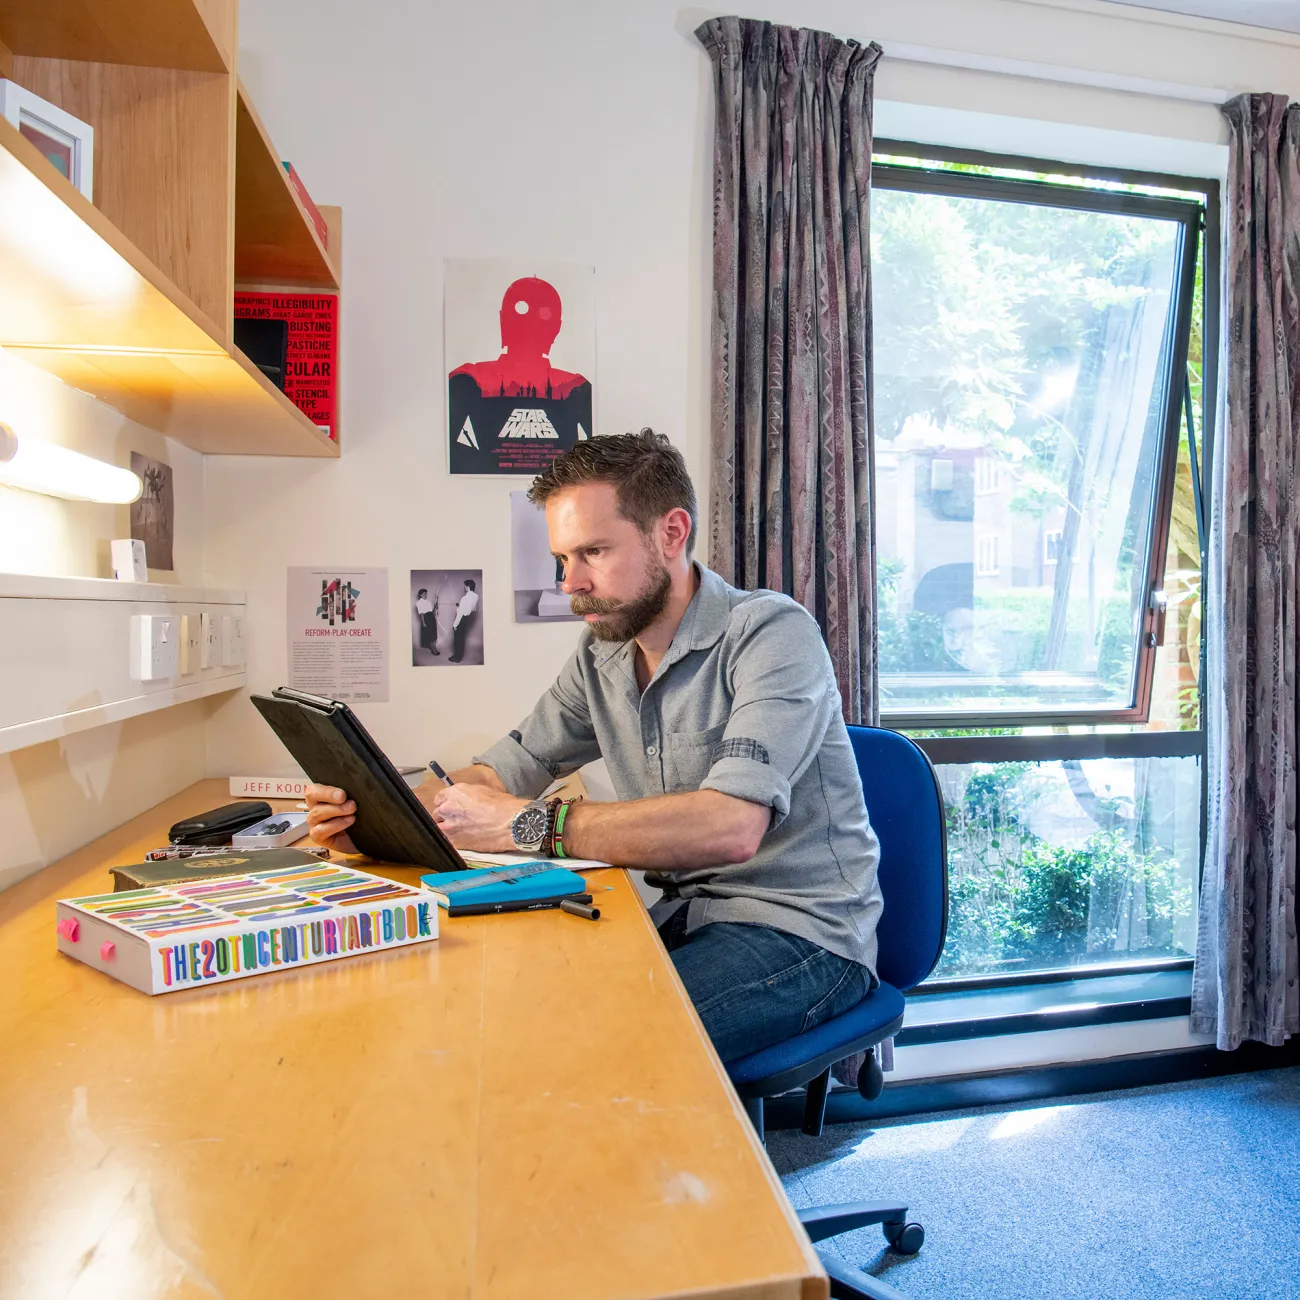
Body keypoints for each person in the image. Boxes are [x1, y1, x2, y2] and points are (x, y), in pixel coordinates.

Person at [305, 430, 882, 1064]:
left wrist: (528, 826)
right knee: (517, 1004)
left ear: (671, 533)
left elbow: (731, 826)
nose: (569, 582)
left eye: (593, 552)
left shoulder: (772, 633)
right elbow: (504, 768)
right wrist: (378, 817)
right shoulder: (602, 652)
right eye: (561, 559)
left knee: (590, 1047)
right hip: (690, 914)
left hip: (802, 931)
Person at [449, 578, 479, 663]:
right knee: (462, 638)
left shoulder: (464, 598)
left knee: (458, 639)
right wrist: (461, 605)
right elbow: (474, 608)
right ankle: (459, 656)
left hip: (461, 619)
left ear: (468, 586)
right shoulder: (476, 596)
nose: (464, 587)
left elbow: (460, 614)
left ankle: (457, 657)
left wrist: (455, 625)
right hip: (468, 619)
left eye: (465, 586)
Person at [414, 587, 440, 657]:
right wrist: (423, 622)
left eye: (426, 593)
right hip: (426, 618)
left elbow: (432, 611)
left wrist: (436, 604)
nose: (426, 595)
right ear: (420, 595)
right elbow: (421, 613)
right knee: (430, 635)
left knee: (434, 634)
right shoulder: (418, 602)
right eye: (424, 593)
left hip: (431, 617)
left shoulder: (428, 602)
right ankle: (433, 650)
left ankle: (435, 648)